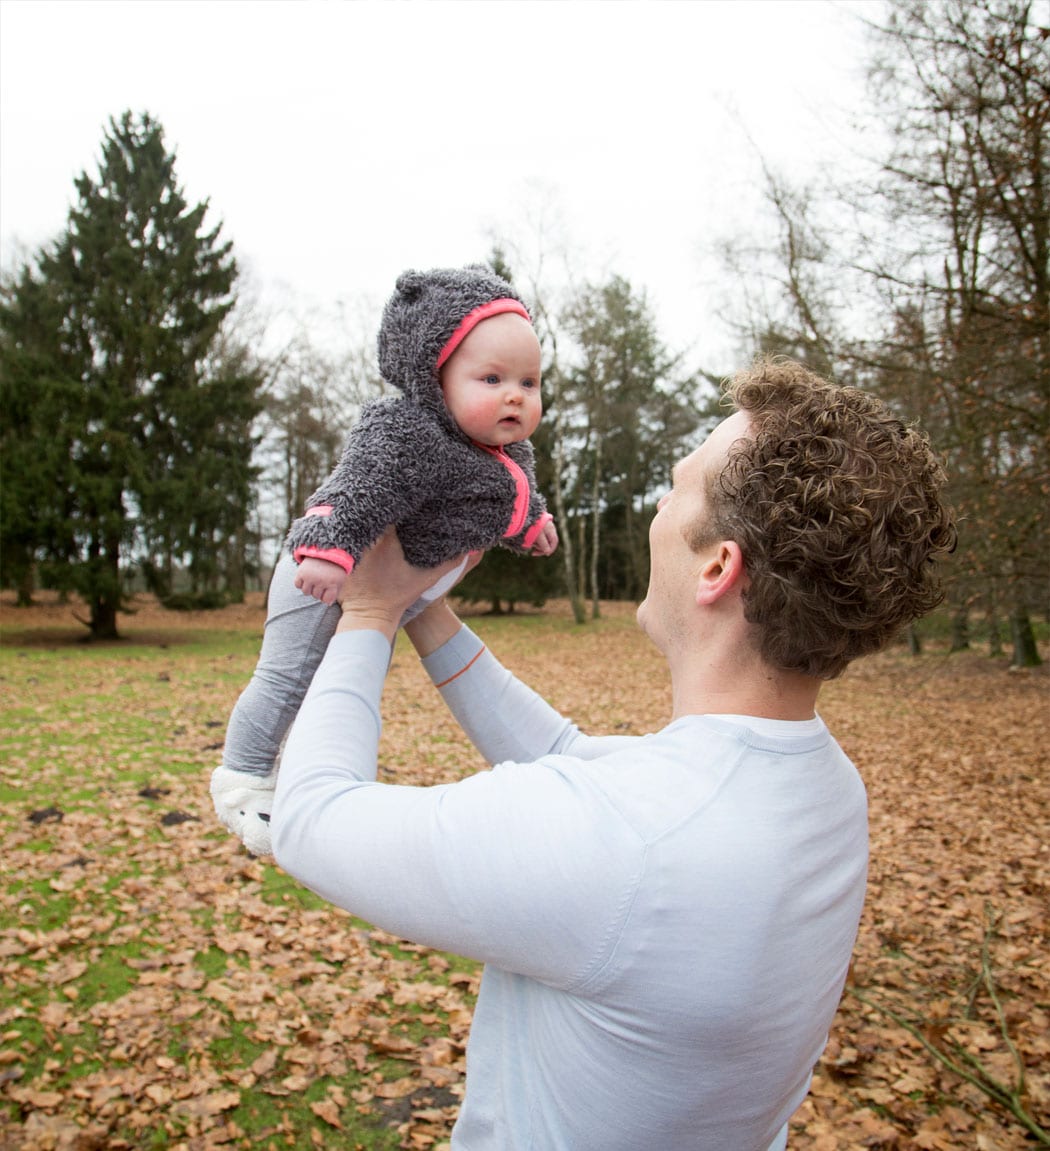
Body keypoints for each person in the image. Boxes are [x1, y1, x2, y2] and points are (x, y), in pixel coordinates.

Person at [270, 358, 957, 1150]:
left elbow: (312, 818)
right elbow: (580, 762)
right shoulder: (825, 788)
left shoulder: (628, 843)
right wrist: (423, 611)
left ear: (716, 567)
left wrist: (365, 609)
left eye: (677, 486)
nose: (660, 507)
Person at [211, 266, 558, 856]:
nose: (515, 395)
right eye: (492, 377)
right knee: (286, 676)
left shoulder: (506, 452)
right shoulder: (405, 431)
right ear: (433, 379)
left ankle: (296, 778)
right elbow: (359, 488)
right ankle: (242, 777)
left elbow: (512, 493)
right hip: (324, 572)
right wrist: (331, 551)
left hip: (393, 594)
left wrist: (532, 524)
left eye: (529, 382)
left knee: (327, 687)